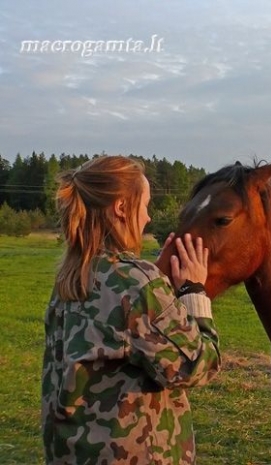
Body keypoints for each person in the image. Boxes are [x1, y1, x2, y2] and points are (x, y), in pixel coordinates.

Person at [41, 155, 221, 464]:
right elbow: (199, 366)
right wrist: (193, 291)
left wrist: (157, 284)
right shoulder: (137, 284)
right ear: (122, 208)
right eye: (146, 205)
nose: (148, 218)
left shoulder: (70, 277)